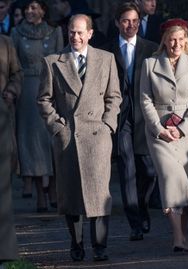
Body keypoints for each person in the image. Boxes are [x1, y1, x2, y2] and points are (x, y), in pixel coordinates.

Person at [37, 14, 121, 261]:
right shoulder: (53, 62)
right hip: (68, 137)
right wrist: (57, 127)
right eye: (72, 32)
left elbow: (114, 96)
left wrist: (108, 125)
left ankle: (100, 247)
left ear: (90, 34)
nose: (75, 37)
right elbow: (43, 99)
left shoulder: (106, 59)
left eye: (80, 32)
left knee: (99, 193)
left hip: (97, 136)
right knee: (71, 193)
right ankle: (76, 244)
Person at [140, 18, 188, 252]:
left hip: (187, 134)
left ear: (186, 41)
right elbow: (145, 100)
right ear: (164, 41)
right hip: (159, 132)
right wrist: (159, 128)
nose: (176, 44)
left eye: (180, 40)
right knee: (171, 178)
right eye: (171, 40)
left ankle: (183, 235)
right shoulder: (150, 64)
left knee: (186, 183)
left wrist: (184, 127)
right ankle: (177, 238)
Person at [102, 1, 158, 241]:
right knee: (127, 169)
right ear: (117, 23)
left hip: (146, 115)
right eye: (126, 20)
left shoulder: (151, 48)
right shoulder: (106, 50)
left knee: (149, 169)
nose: (131, 25)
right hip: (121, 116)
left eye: (135, 21)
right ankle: (134, 221)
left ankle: (143, 206)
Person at [11, 0, 63, 211]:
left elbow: (61, 62)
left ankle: (53, 187)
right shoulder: (17, 32)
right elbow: (13, 66)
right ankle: (40, 193)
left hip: (51, 89)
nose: (29, 12)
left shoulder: (55, 31)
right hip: (28, 92)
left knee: (52, 139)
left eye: (34, 7)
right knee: (31, 144)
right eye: (26, 8)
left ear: (43, 9)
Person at [0, 34, 22, 269]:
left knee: (2, 188)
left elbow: (17, 72)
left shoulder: (5, 43)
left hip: (1, 118)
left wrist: (11, 91)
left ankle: (3, 252)